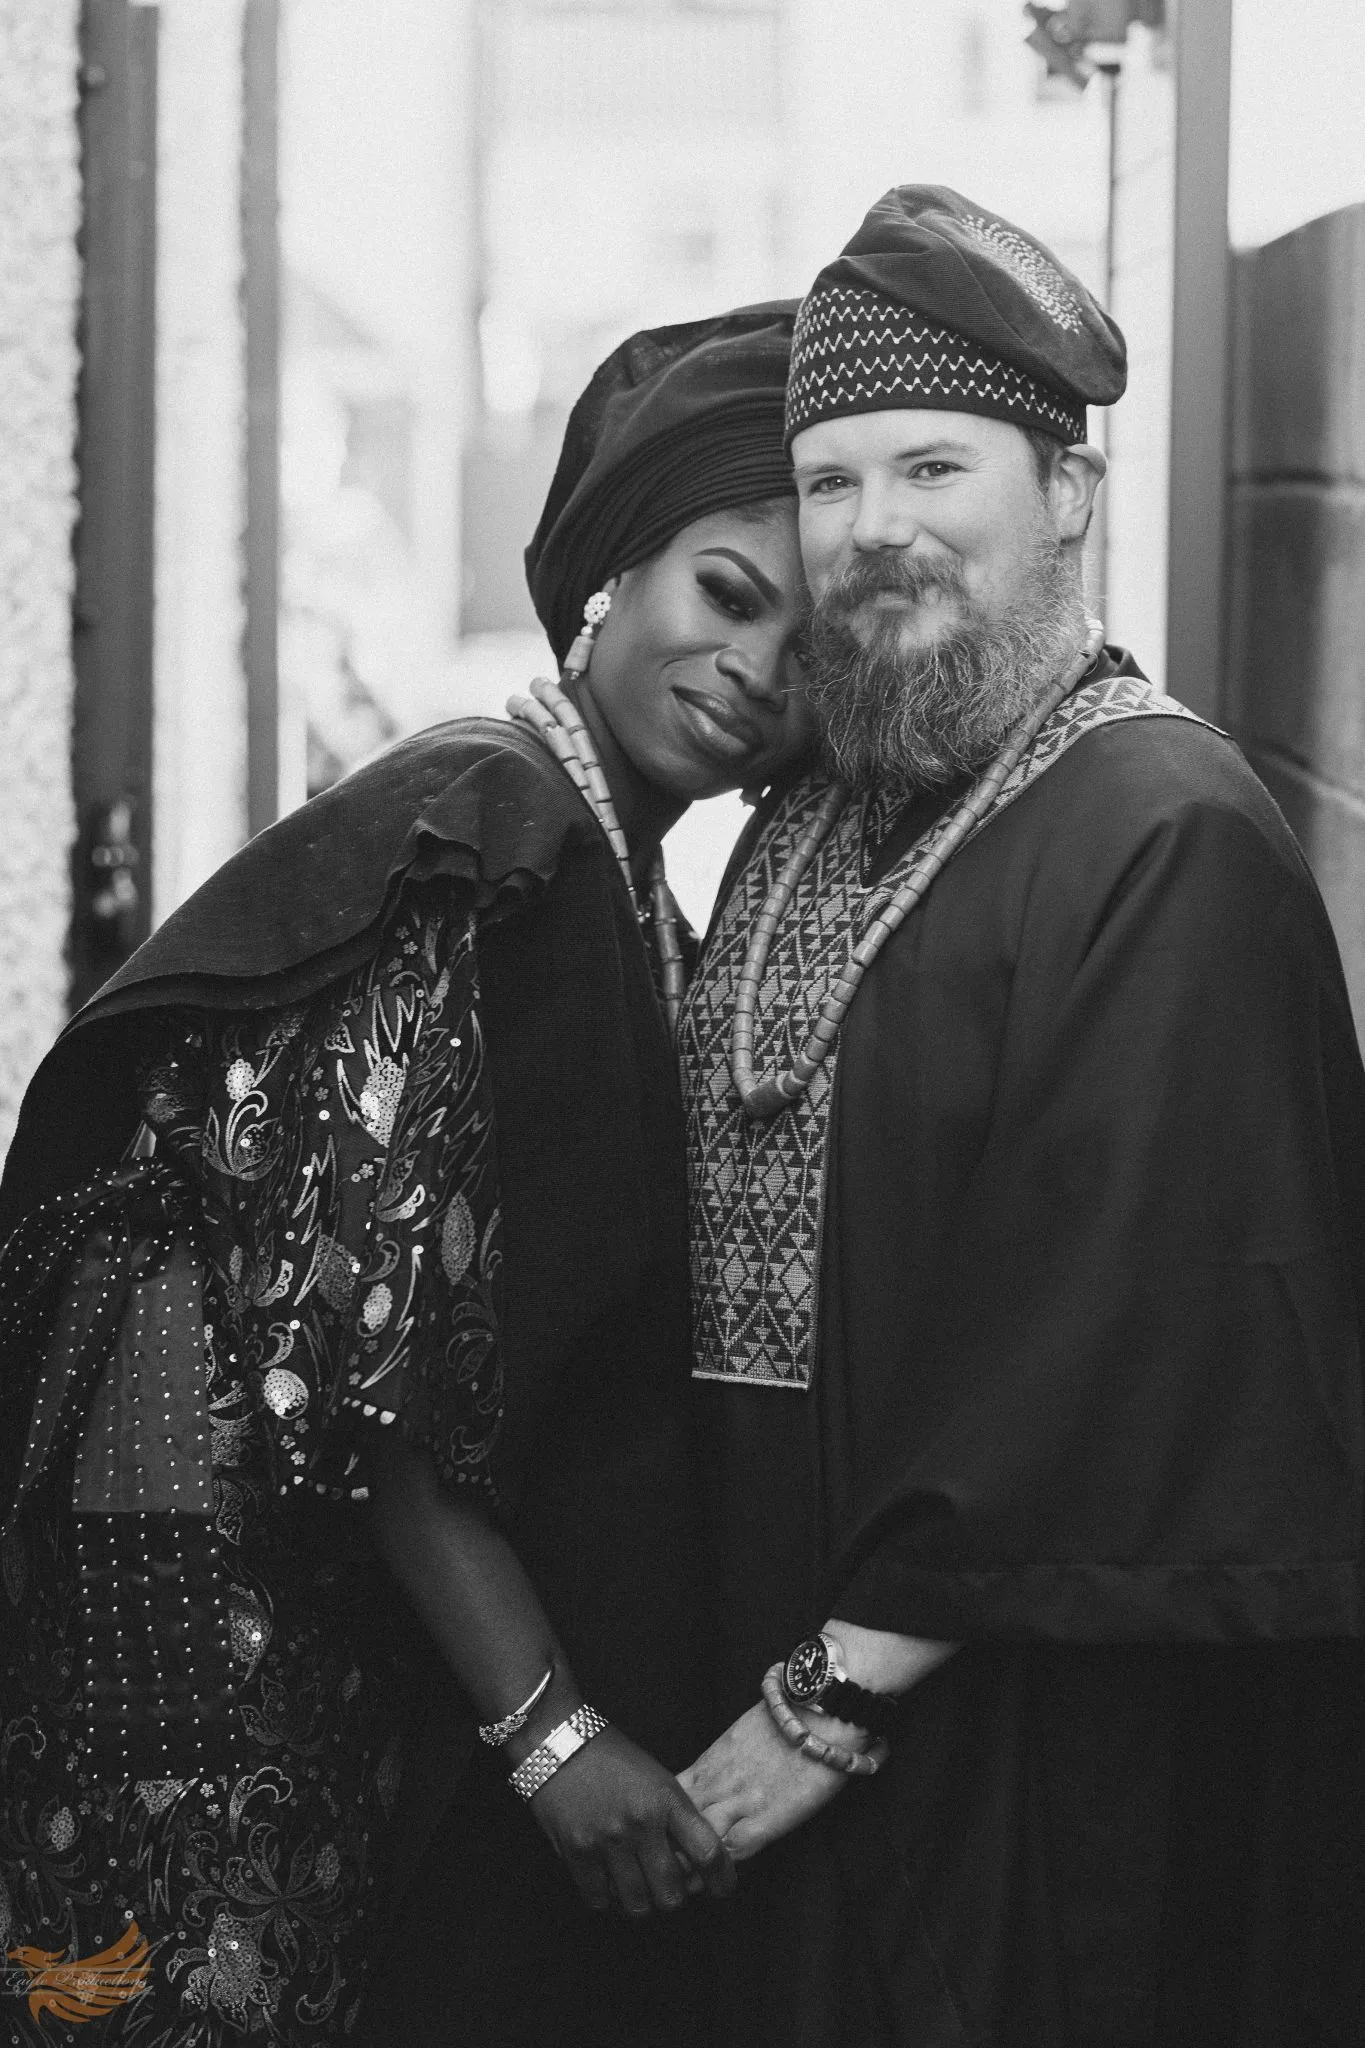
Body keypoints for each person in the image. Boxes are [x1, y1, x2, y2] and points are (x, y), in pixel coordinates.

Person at [0, 302, 813, 2047]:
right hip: (204, 1659)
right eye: (729, 595)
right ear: (614, 574)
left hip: (291, 1639)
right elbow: (354, 1379)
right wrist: (556, 1735)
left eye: (808, 651)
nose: (756, 670)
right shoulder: (488, 837)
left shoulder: (602, 863)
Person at [676, 187, 1365, 2047]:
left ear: (1065, 493)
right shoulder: (825, 804)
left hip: (1026, 1746)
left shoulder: (1165, 835)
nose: (875, 531)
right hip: (762, 1681)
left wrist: (836, 1691)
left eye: (933, 468)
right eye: (831, 485)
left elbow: (1129, 1321)